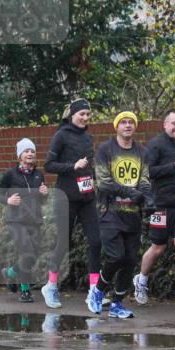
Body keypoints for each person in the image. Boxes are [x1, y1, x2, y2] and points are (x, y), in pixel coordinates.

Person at [87, 111, 153, 318]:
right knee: (116, 256)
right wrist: (131, 192)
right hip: (109, 213)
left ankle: (117, 303)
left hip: (132, 215)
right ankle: (97, 291)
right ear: (116, 126)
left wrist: (147, 198)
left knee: (130, 259)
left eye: (130, 122)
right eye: (123, 122)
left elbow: (144, 179)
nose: (127, 125)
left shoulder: (142, 152)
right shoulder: (106, 150)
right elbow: (104, 183)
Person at [42, 98, 101, 309]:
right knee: (64, 243)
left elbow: (89, 165)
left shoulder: (88, 136)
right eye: (81, 114)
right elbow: (49, 165)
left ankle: (94, 290)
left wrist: (94, 178)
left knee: (96, 241)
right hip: (66, 196)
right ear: (72, 115)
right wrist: (72, 166)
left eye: (87, 114)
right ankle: (50, 285)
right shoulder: (61, 135)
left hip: (86, 197)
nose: (85, 118)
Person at [134, 109, 175, 307]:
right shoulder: (155, 145)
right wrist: (172, 166)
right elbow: (146, 172)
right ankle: (141, 280)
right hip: (160, 206)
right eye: (174, 124)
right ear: (165, 125)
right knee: (158, 247)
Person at [0, 139, 49, 302]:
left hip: (35, 220)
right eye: (26, 151)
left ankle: (10, 273)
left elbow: (42, 201)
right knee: (26, 253)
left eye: (32, 151)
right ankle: (25, 291)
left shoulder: (39, 175)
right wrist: (8, 200)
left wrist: (44, 193)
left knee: (32, 256)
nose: (30, 154)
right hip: (16, 221)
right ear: (20, 155)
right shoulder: (10, 175)